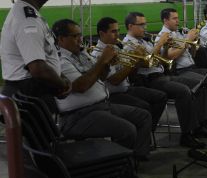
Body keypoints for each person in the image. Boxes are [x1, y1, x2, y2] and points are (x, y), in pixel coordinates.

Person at [53, 19, 152, 160]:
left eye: (80, 35)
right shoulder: (60, 61)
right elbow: (81, 86)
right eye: (75, 36)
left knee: (143, 115)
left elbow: (102, 76)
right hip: (79, 115)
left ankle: (136, 158)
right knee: (127, 130)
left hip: (101, 106)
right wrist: (102, 61)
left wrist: (107, 64)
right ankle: (122, 171)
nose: (80, 39)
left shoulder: (82, 54)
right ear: (61, 39)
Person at [123, 12, 207, 149]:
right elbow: (147, 62)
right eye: (141, 24)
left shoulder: (144, 41)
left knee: (199, 84)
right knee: (183, 92)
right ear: (131, 26)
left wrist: (166, 47)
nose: (145, 27)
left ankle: (199, 126)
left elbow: (161, 60)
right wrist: (160, 43)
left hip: (162, 75)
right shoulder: (128, 44)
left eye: (145, 24)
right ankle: (186, 135)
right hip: (147, 80)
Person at [0, 0, 70, 100]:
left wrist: (59, 75)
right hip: (28, 94)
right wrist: (62, 84)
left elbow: (46, 57)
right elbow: (38, 68)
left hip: (31, 90)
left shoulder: (30, 14)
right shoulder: (26, 20)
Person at [157, 8, 207, 124]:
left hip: (192, 67)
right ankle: (204, 122)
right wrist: (187, 40)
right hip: (180, 71)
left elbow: (191, 54)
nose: (177, 21)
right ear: (165, 20)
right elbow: (171, 56)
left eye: (177, 18)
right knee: (202, 83)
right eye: (174, 18)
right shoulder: (162, 36)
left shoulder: (177, 33)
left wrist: (194, 45)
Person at [94, 17, 167, 131]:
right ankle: (141, 135)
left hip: (126, 88)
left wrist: (137, 61)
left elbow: (131, 77)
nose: (118, 34)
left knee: (160, 97)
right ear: (102, 33)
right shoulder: (98, 54)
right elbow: (115, 80)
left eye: (118, 31)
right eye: (113, 31)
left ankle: (147, 132)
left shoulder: (116, 49)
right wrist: (133, 61)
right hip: (113, 95)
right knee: (144, 106)